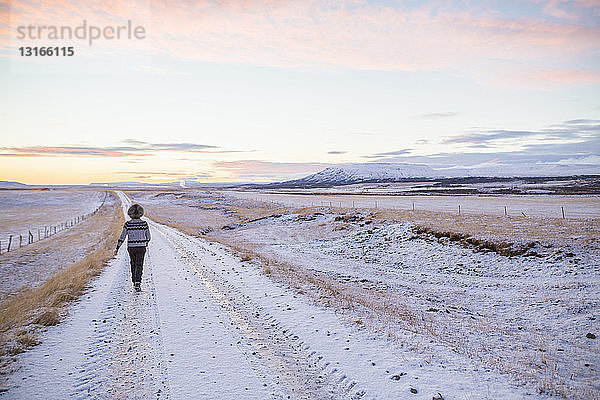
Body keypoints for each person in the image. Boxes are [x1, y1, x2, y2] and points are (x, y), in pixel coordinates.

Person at [114, 204, 151, 291]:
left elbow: (122, 236)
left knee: (133, 263)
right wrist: (146, 242)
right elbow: (148, 236)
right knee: (140, 264)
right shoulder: (144, 224)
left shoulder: (127, 224)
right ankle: (138, 282)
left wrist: (117, 247)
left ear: (130, 214)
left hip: (131, 247)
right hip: (141, 247)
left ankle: (134, 281)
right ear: (141, 213)